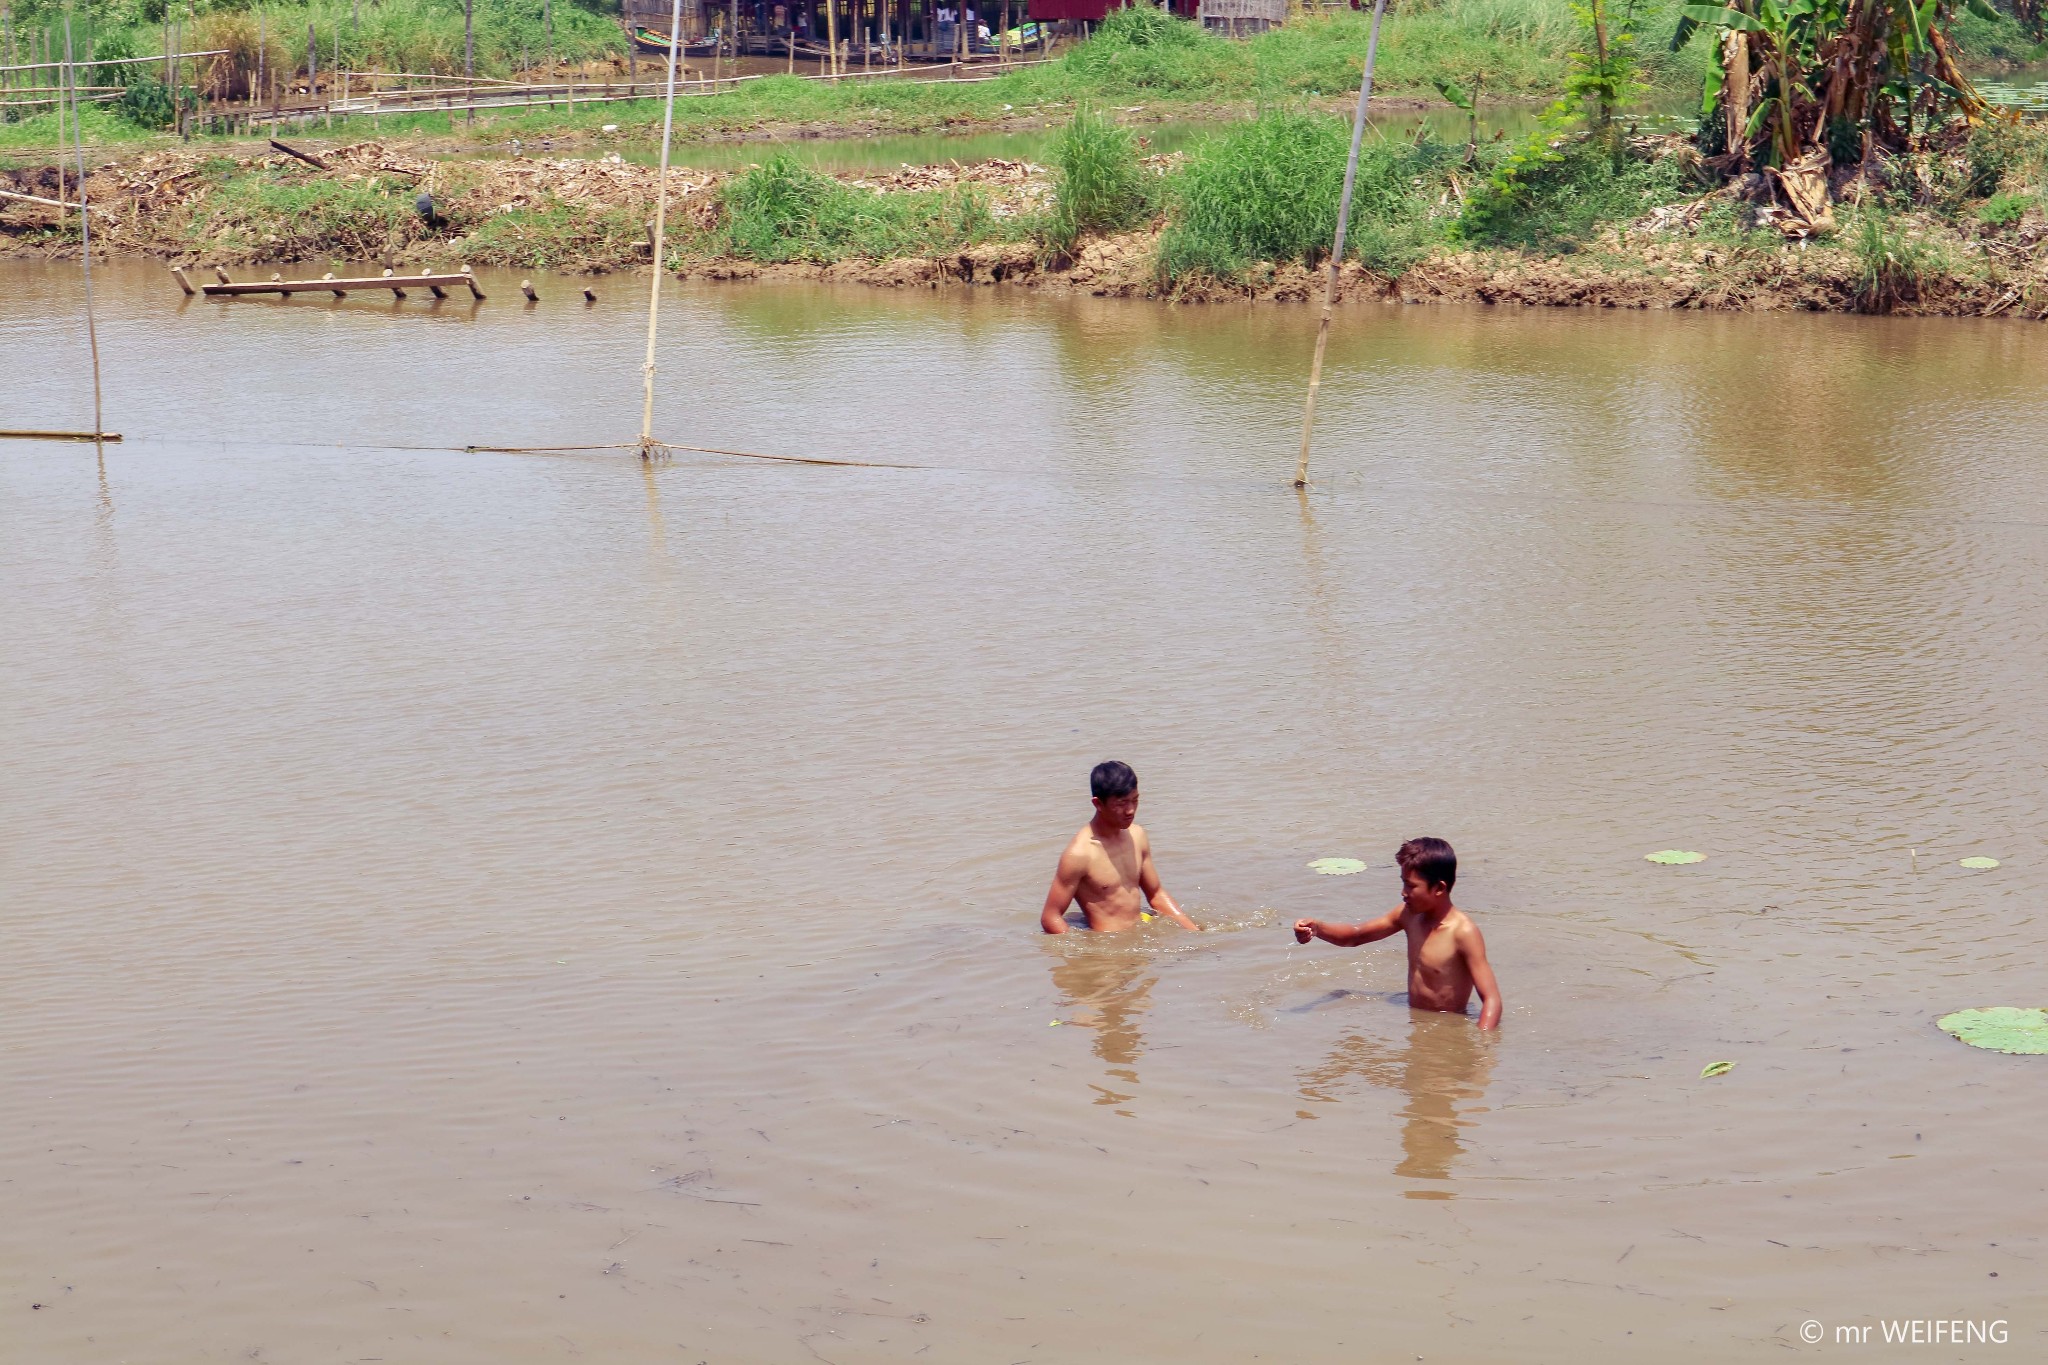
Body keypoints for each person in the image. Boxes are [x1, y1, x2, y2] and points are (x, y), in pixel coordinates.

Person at [1293, 837, 1502, 1029]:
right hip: (1417, 1024)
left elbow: (1492, 1000)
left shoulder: (1463, 932)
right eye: (1403, 882)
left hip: (1447, 1028)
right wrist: (1318, 928)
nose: (1403, 892)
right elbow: (1356, 936)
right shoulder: (1408, 916)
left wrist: (1481, 1051)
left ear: (1438, 888)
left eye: (1411, 886)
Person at [1040, 761, 1199, 934]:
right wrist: (1087, 954)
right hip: (1110, 951)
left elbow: (1156, 895)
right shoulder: (1080, 854)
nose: (1130, 810)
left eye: (1135, 800)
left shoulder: (1137, 836)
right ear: (1098, 804)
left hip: (1140, 939)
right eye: (1121, 803)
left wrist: (1194, 932)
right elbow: (1050, 917)